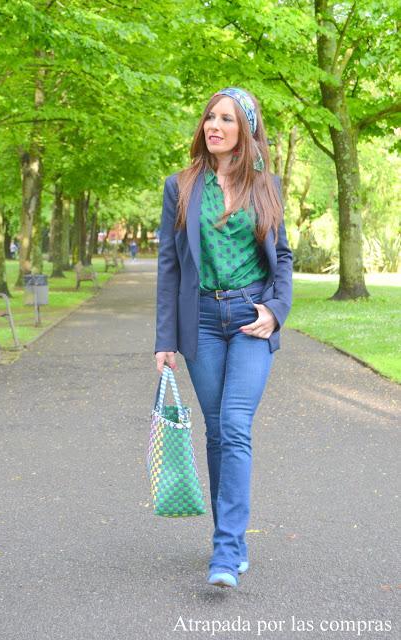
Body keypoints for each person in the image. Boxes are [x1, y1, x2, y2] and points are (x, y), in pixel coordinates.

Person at [154, 87, 293, 589]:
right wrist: (164, 340)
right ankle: (231, 539)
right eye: (210, 117)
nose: (214, 126)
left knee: (235, 425)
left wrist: (276, 311)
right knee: (216, 431)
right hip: (203, 323)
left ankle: (225, 550)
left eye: (227, 119)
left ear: (246, 131)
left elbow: (283, 257)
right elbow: (170, 267)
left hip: (250, 317)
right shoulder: (182, 186)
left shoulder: (266, 186)